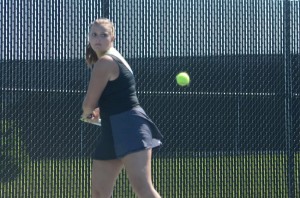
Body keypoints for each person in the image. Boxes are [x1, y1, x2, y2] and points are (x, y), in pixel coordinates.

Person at [81, 18, 163, 198]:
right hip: (111, 130)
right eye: (94, 34)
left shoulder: (105, 62)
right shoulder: (109, 59)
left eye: (104, 35)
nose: (98, 39)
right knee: (99, 192)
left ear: (113, 38)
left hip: (130, 128)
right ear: (89, 38)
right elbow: (118, 95)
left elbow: (88, 103)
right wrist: (99, 111)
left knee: (143, 189)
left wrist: (88, 113)